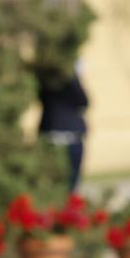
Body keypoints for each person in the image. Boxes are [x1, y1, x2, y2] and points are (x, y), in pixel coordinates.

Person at [39, 63, 89, 193]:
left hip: (58, 134)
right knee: (64, 179)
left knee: (66, 181)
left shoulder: (44, 79)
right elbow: (83, 101)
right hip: (62, 136)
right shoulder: (67, 81)